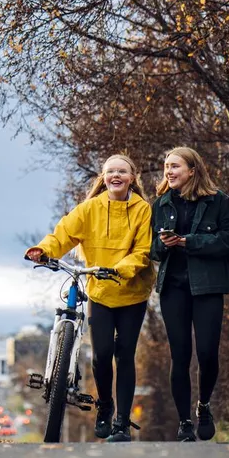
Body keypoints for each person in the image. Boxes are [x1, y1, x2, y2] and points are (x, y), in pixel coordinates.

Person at [25, 154, 154, 442]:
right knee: (101, 355)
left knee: (124, 356)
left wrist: (119, 270)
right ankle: (105, 406)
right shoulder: (90, 208)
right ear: (104, 177)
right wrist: (44, 250)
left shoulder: (142, 210)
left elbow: (143, 250)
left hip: (132, 292)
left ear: (132, 177)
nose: (116, 176)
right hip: (101, 293)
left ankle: (121, 422)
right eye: (111, 171)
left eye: (122, 171)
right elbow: (64, 233)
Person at [150, 147, 229, 442]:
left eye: (175, 166)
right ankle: (185, 422)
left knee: (206, 353)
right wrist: (165, 244)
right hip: (173, 289)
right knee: (180, 356)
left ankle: (203, 406)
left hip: (208, 287)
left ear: (192, 170)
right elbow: (152, 250)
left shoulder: (219, 201)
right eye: (166, 167)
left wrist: (189, 242)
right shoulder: (160, 204)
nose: (169, 171)